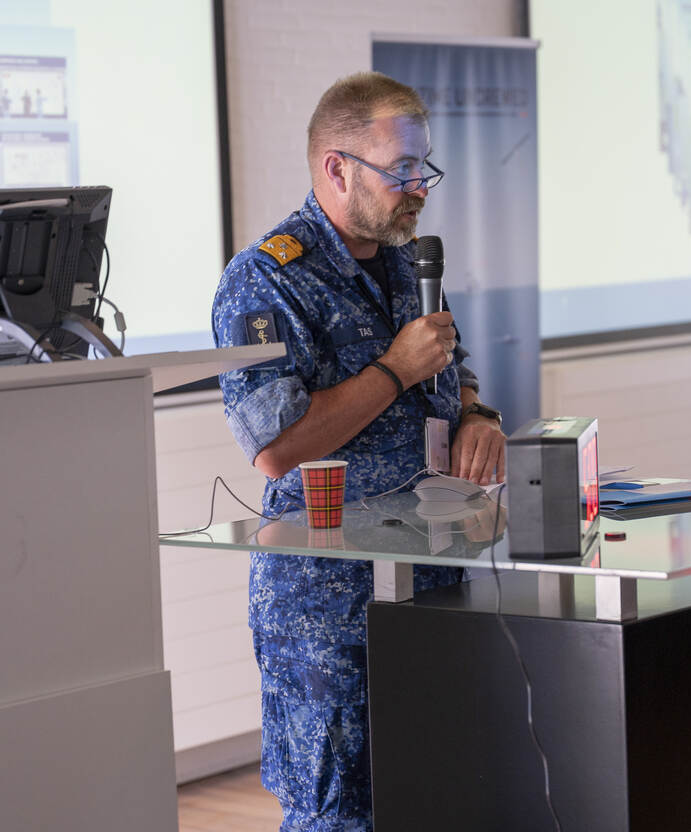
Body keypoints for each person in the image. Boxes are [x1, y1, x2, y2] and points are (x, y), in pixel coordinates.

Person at [212, 71, 506, 831]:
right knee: (340, 817)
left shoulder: (412, 264)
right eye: (402, 171)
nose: (419, 188)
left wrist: (478, 416)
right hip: (328, 608)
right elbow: (275, 450)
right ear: (335, 168)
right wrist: (392, 370)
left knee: (440, 795)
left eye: (425, 169)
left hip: (432, 578)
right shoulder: (266, 280)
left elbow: (452, 372)